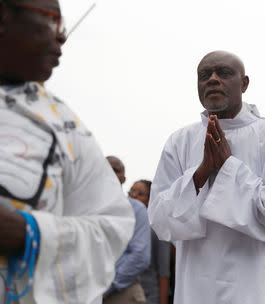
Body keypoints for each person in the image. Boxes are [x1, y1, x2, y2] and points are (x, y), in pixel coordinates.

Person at [0, 0, 135, 303]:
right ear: (4, 17)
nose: (61, 36)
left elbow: (112, 226)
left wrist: (29, 233)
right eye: (52, 21)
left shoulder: (64, 126)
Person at [148, 51, 265, 304]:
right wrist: (200, 174)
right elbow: (159, 219)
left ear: (244, 84)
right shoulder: (179, 141)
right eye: (204, 75)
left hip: (262, 285)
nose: (212, 79)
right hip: (197, 286)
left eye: (223, 73)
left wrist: (228, 168)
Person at [104, 157, 151, 304]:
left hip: (121, 291)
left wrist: (106, 288)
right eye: (106, 168)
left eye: (116, 170)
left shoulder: (136, 209)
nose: (111, 173)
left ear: (123, 178)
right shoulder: (83, 206)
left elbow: (140, 255)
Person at [129, 180, 171, 304]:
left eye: (140, 193)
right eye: (131, 191)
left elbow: (164, 272)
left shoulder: (157, 228)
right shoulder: (123, 225)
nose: (133, 195)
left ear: (150, 199)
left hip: (148, 297)